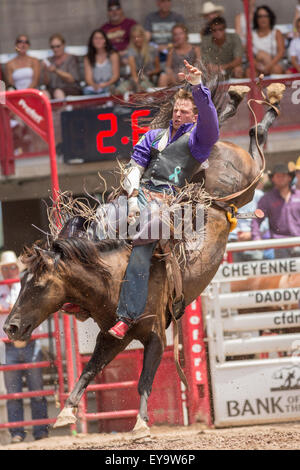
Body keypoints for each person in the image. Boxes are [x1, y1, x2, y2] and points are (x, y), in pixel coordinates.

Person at [107, 59, 219, 340]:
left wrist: (197, 87)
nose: (179, 114)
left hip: (168, 205)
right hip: (139, 195)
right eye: (177, 110)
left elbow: (211, 123)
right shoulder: (154, 136)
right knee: (99, 221)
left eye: (185, 111)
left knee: (144, 242)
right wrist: (132, 200)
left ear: (194, 117)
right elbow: (135, 167)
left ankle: (126, 317)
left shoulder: (198, 140)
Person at [0, 251, 48, 443]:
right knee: (13, 393)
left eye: (12, 267)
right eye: (6, 268)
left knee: (37, 390)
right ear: (2, 270)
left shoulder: (26, 286)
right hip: (7, 345)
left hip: (30, 342)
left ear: (16, 269)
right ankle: (17, 433)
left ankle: (40, 431)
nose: (10, 270)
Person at [251, 163, 300, 259]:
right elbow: (257, 219)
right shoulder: (267, 199)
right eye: (277, 176)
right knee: (283, 273)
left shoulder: (299, 195)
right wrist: (256, 238)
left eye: (283, 175)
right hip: (279, 244)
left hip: (298, 241)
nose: (280, 178)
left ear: (289, 177)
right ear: (272, 179)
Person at [246, 5, 285, 77]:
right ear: (256, 19)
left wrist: (268, 66)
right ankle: (255, 88)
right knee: (250, 72)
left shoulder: (276, 32)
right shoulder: (251, 34)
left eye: (266, 16)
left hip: (274, 63)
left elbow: (281, 52)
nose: (263, 19)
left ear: (270, 18)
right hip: (257, 64)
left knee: (277, 69)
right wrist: (257, 65)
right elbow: (248, 54)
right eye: (260, 16)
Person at [144, 0, 185, 65]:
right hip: (155, 50)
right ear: (158, 3)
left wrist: (168, 46)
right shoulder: (150, 18)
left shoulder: (178, 17)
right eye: (163, 1)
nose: (166, 4)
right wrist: (156, 48)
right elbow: (146, 38)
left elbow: (183, 39)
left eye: (168, 1)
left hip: (173, 49)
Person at [100, 0, 137, 73]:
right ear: (107, 12)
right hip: (111, 56)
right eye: (111, 10)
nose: (114, 12)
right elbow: (100, 45)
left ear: (121, 10)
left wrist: (126, 51)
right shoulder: (104, 28)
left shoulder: (131, 23)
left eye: (117, 8)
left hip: (128, 54)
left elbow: (138, 38)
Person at [122, 24, 161, 93]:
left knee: (143, 87)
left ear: (143, 36)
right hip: (135, 79)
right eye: (134, 37)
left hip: (149, 78)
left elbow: (158, 68)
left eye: (139, 36)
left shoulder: (152, 49)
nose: (136, 39)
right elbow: (133, 72)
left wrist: (151, 73)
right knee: (120, 90)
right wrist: (136, 83)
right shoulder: (131, 50)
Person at [42, 34, 81, 99]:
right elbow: (46, 83)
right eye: (53, 47)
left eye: (58, 46)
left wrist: (55, 70)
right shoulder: (49, 60)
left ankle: (62, 109)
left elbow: (72, 79)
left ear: (64, 45)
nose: (55, 49)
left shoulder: (71, 58)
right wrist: (45, 71)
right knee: (43, 93)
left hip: (71, 89)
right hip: (52, 89)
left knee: (58, 92)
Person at [83, 29, 120, 96]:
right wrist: (94, 85)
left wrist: (105, 84)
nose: (98, 41)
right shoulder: (88, 57)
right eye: (96, 38)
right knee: (86, 91)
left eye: (101, 38)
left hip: (110, 84)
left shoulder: (113, 55)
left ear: (105, 40)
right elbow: (88, 78)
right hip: (96, 86)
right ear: (92, 41)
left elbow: (115, 76)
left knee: (109, 90)